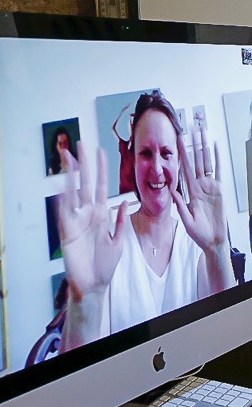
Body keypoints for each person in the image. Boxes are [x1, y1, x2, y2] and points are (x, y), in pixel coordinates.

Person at [57, 90, 236, 351]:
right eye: (146, 153)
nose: (157, 168)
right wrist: (85, 302)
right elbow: (81, 367)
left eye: (166, 153)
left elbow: (228, 336)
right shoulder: (106, 246)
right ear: (132, 160)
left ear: (179, 162)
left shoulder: (197, 245)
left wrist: (218, 249)